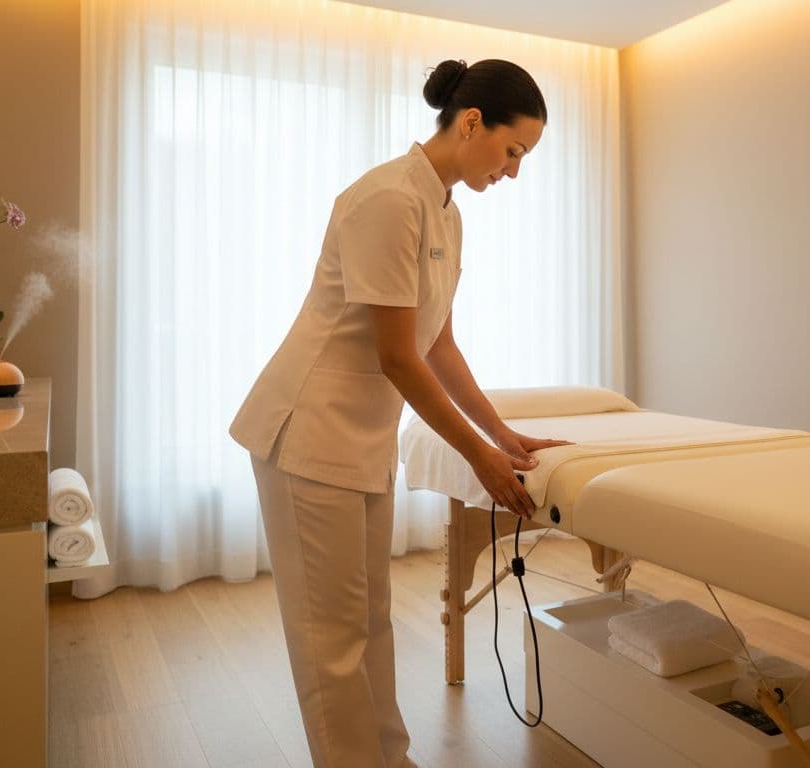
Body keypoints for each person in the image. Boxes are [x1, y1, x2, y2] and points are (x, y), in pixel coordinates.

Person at [229, 58, 569, 768]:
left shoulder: (446, 209)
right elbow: (397, 357)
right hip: (309, 430)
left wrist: (501, 434)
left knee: (370, 621)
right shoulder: (387, 198)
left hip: (361, 436)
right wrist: (480, 459)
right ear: (471, 122)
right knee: (331, 638)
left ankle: (391, 757)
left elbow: (437, 341)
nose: (513, 172)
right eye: (513, 151)